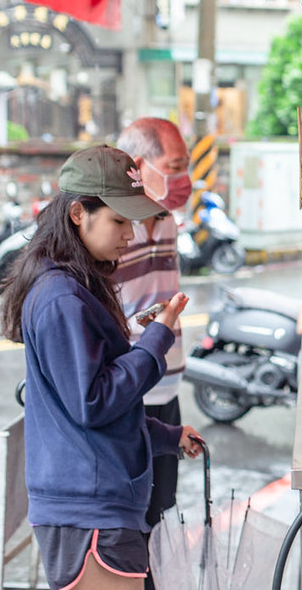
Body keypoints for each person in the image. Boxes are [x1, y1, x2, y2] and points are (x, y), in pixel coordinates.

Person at [0, 145, 202, 590]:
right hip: (88, 513)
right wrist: (158, 337)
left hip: (99, 505)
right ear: (78, 213)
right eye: (118, 220)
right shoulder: (61, 298)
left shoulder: (77, 287)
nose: (129, 235)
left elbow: (98, 407)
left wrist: (167, 436)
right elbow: (94, 402)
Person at [114, 117, 192, 541]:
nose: (183, 178)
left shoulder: (166, 219)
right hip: (129, 390)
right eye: (175, 165)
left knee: (163, 510)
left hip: (168, 388)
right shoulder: (109, 230)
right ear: (141, 165)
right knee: (131, 516)